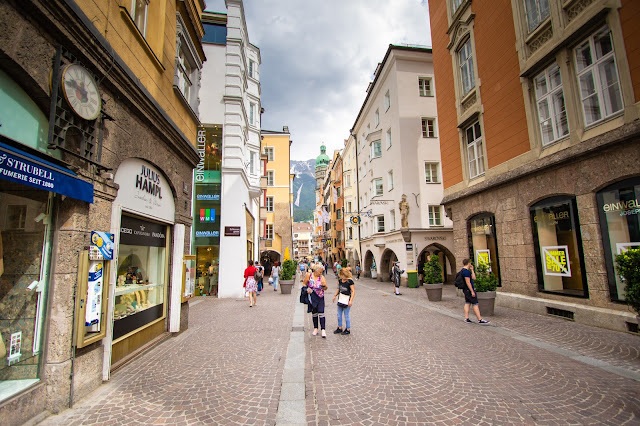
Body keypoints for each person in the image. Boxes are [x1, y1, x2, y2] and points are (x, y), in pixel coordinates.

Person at [461, 258, 490, 325]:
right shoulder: (466, 272)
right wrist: (472, 291)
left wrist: (472, 270)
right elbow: (468, 282)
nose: (471, 264)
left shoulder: (464, 271)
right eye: (470, 263)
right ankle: (480, 319)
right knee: (475, 304)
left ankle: (466, 318)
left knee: (467, 303)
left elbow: (474, 278)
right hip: (469, 290)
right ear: (468, 263)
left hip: (466, 290)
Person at [304, 263, 328, 338]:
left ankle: (323, 330)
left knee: (321, 313)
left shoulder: (322, 277)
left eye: (321, 272)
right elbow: (304, 284)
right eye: (320, 272)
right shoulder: (309, 275)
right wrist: (307, 289)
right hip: (312, 297)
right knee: (314, 313)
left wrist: (324, 286)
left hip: (320, 296)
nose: (321, 273)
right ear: (316, 270)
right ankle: (315, 328)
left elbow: (326, 288)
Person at [333, 267, 355, 335]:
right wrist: (335, 295)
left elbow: (353, 291)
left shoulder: (350, 282)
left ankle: (348, 329)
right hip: (341, 299)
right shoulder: (340, 281)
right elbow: (338, 289)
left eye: (342, 275)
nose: (342, 277)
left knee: (346, 315)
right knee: (339, 315)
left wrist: (351, 300)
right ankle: (340, 327)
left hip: (346, 299)